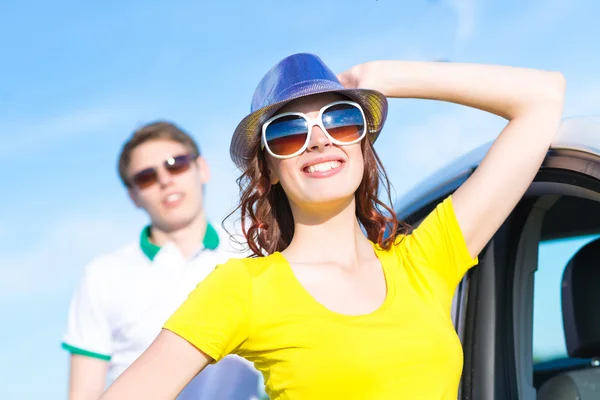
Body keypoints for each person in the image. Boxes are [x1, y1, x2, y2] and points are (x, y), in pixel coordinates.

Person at [99, 53, 566, 399]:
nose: (318, 140)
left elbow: (542, 99)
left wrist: (381, 79)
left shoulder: (424, 261)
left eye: (342, 119)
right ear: (270, 171)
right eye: (288, 132)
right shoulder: (243, 289)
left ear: (364, 146)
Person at [61, 121, 263, 400]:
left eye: (175, 164)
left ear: (201, 168)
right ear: (134, 196)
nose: (165, 180)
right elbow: (83, 394)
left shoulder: (254, 244)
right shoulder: (102, 275)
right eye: (146, 176)